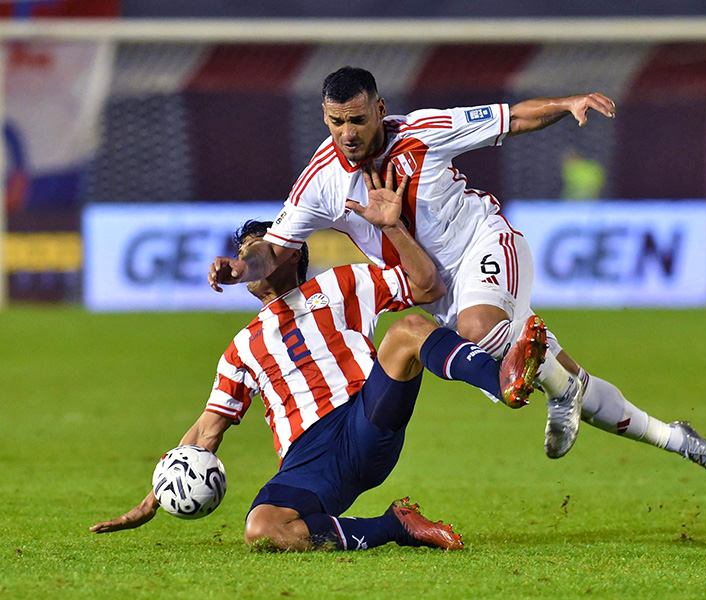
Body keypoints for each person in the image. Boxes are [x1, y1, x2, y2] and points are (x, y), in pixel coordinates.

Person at [208, 66, 706, 475]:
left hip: (487, 244)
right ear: (325, 118)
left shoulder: (423, 131)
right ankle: (675, 437)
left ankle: (563, 391)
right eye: (336, 121)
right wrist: (239, 266)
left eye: (357, 119)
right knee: (532, 371)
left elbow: (512, 118)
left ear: (379, 110)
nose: (347, 132)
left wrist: (568, 102)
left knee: (479, 333)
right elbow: (273, 250)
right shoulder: (319, 182)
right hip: (440, 295)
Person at [90, 168, 549, 551]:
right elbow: (206, 432)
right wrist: (155, 495)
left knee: (408, 330)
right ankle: (394, 526)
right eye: (245, 253)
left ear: (292, 254)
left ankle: (500, 380)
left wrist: (393, 227)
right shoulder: (240, 349)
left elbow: (428, 287)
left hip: (364, 420)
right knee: (262, 530)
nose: (250, 259)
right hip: (309, 463)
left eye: (261, 249)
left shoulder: (343, 284)